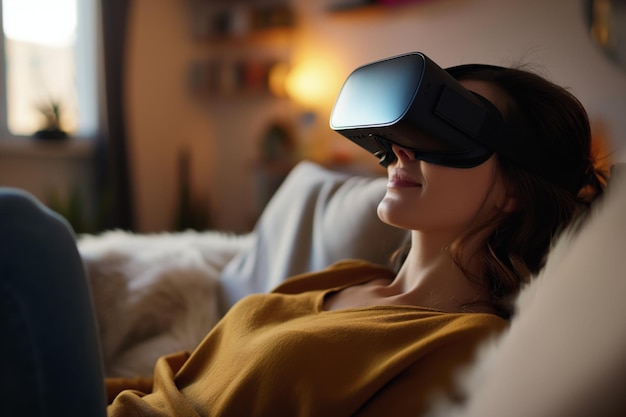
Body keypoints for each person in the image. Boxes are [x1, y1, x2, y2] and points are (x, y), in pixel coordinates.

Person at [0, 58, 606, 417]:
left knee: (24, 234)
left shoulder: (464, 343)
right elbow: (176, 378)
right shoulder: (345, 278)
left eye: (443, 131)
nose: (401, 148)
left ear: (515, 192)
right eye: (403, 129)